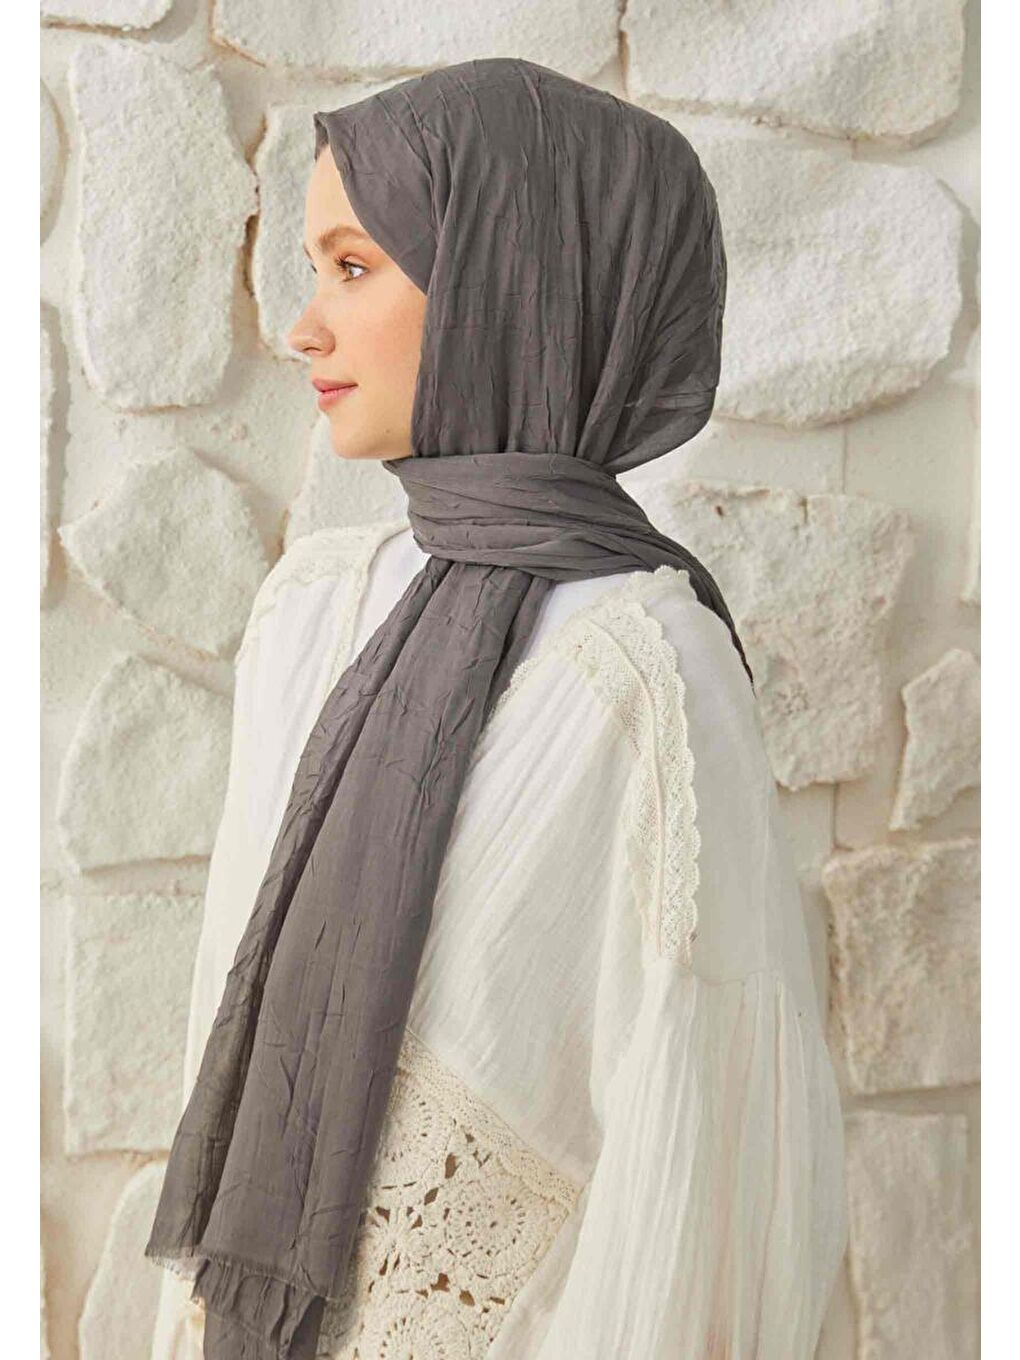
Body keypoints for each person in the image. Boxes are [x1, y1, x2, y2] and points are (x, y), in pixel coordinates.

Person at [146, 58, 848, 1360]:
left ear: (507, 285)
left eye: (353, 268)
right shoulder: (313, 614)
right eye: (316, 270)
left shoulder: (646, 676)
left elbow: (696, 1195)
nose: (302, 330)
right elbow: (223, 1048)